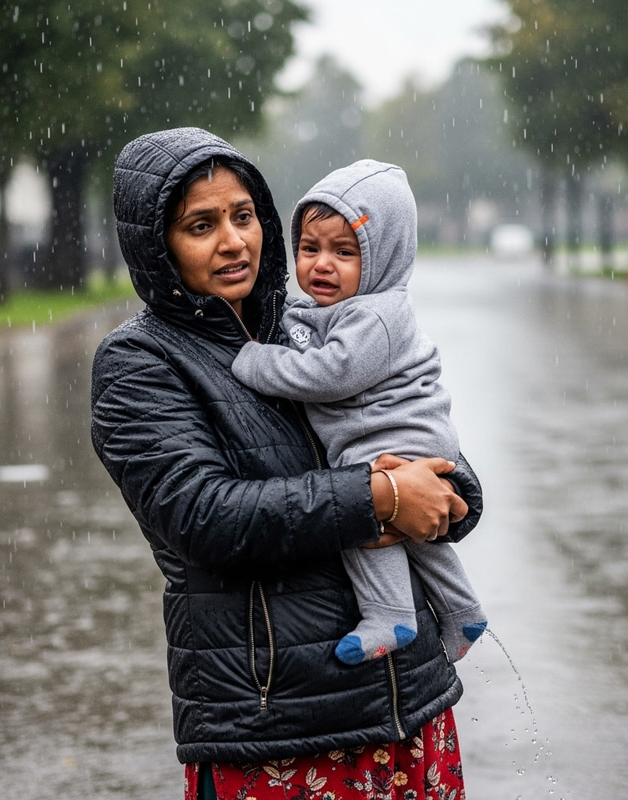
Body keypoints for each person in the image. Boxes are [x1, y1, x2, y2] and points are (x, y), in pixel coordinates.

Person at [91, 127, 483, 800]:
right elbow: (208, 520)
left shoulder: (315, 323)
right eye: (201, 225)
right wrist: (379, 498)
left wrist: (449, 495)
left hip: (407, 706)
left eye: (243, 216)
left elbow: (431, 453)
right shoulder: (141, 365)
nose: (234, 241)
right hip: (279, 729)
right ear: (157, 247)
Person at [232, 160, 486, 666]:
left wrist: (256, 359)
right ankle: (462, 608)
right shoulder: (341, 308)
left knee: (359, 516)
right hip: (400, 437)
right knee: (415, 532)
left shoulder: (378, 313)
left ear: (383, 259)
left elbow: (331, 374)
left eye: (344, 253)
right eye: (310, 248)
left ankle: (390, 614)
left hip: (393, 436)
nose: (322, 264)